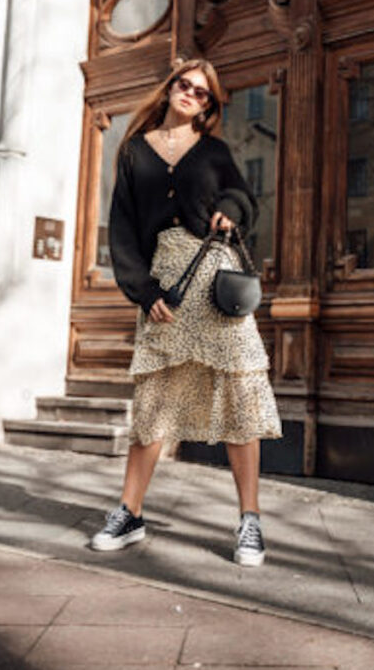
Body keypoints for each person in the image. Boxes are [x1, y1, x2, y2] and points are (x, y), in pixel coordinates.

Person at [90, 58, 282, 566]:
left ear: (209, 106)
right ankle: (129, 513)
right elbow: (123, 226)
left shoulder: (215, 150)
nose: (191, 95)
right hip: (165, 286)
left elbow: (243, 196)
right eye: (186, 86)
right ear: (170, 87)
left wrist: (233, 210)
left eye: (202, 93)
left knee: (240, 389)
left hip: (213, 278)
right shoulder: (134, 151)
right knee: (153, 398)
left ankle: (250, 521)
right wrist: (141, 288)